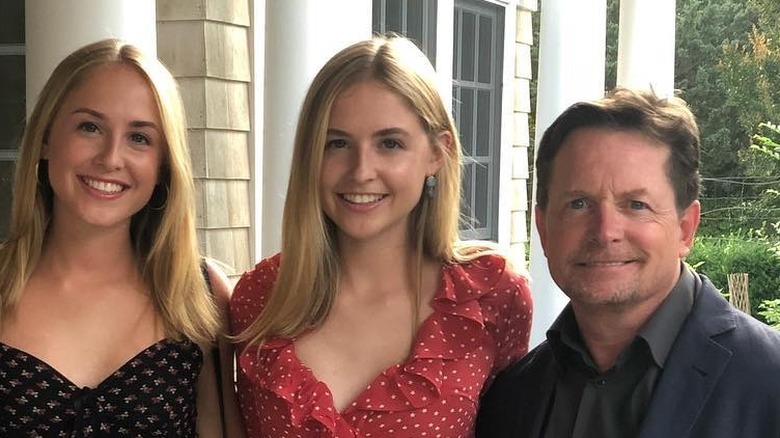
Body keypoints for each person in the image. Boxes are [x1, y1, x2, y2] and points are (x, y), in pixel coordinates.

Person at [230, 35, 533, 437]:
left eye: (389, 144)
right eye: (337, 143)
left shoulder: (493, 298)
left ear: (436, 154)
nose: (361, 170)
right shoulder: (260, 298)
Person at [476, 87, 780, 437]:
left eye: (636, 205)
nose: (605, 232)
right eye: (578, 204)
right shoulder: (511, 396)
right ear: (544, 229)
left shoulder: (768, 383)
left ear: (685, 229)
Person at [0, 39, 243, 437]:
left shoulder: (200, 297)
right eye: (89, 127)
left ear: (163, 165)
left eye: (140, 138)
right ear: (46, 138)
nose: (111, 157)